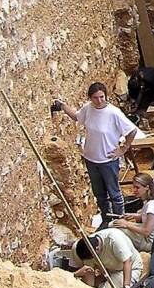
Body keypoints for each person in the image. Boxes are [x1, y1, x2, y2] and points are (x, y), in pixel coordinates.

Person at [58, 82, 138, 221]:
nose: (99, 100)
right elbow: (77, 117)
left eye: (102, 97)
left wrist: (123, 149)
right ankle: (106, 219)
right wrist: (62, 106)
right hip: (91, 159)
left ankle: (119, 220)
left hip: (108, 160)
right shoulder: (88, 109)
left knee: (114, 194)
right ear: (90, 98)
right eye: (95, 97)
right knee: (99, 194)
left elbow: (132, 131)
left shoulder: (113, 113)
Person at [72, 229, 143, 288]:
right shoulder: (87, 246)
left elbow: (127, 261)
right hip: (108, 268)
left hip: (128, 268)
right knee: (74, 248)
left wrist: (126, 287)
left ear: (97, 249)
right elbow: (90, 271)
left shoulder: (114, 240)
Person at [109, 173, 154, 252]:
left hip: (149, 242)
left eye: (137, 188)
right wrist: (135, 216)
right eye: (134, 187)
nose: (134, 190)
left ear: (147, 188)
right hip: (151, 234)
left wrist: (127, 224)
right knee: (116, 223)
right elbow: (149, 218)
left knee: (114, 226)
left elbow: (147, 231)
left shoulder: (152, 206)